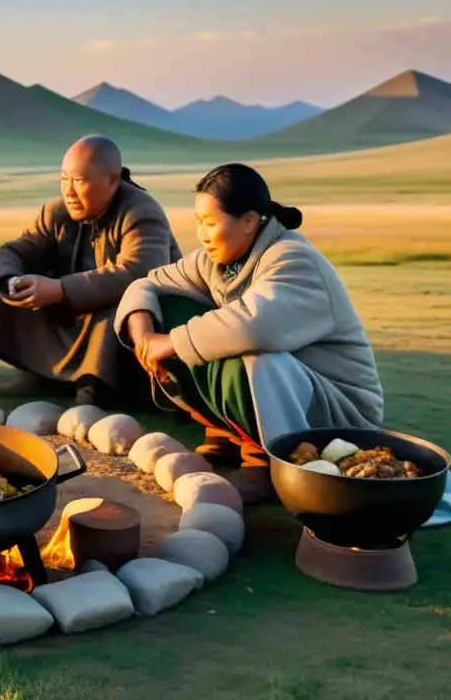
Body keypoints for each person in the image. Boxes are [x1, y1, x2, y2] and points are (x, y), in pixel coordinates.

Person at [113, 163, 383, 502]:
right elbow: (147, 283)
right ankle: (228, 435)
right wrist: (145, 338)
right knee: (169, 306)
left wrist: (170, 343)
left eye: (210, 223)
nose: (202, 234)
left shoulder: (294, 259)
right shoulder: (214, 261)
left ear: (250, 222)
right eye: (198, 222)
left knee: (254, 353)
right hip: (285, 391)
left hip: (336, 409)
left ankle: (268, 462)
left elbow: (254, 325)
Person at [0, 135, 182, 407]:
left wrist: (61, 290)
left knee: (118, 312)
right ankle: (41, 373)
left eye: (80, 181)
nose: (69, 192)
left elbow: (140, 272)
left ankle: (97, 389)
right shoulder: (56, 213)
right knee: (25, 288)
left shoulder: (141, 212)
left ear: (112, 181)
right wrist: (10, 280)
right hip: (78, 309)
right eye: (65, 179)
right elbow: (13, 251)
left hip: (137, 319)